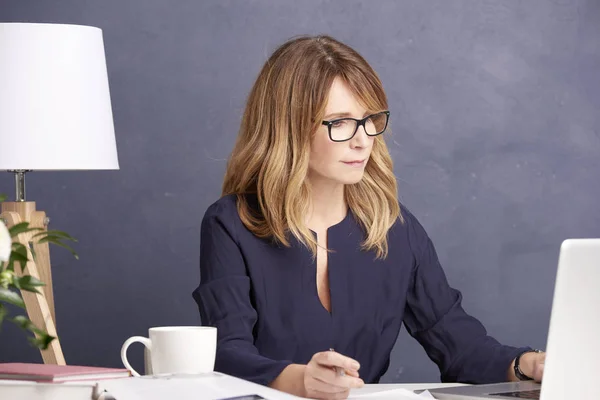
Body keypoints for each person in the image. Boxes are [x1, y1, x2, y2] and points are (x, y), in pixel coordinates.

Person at [192, 35, 545, 400]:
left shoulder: (394, 227)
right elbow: (226, 354)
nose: (363, 140)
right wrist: (302, 380)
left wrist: (528, 363)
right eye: (340, 122)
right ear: (289, 128)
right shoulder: (231, 223)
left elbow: (461, 346)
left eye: (369, 119)